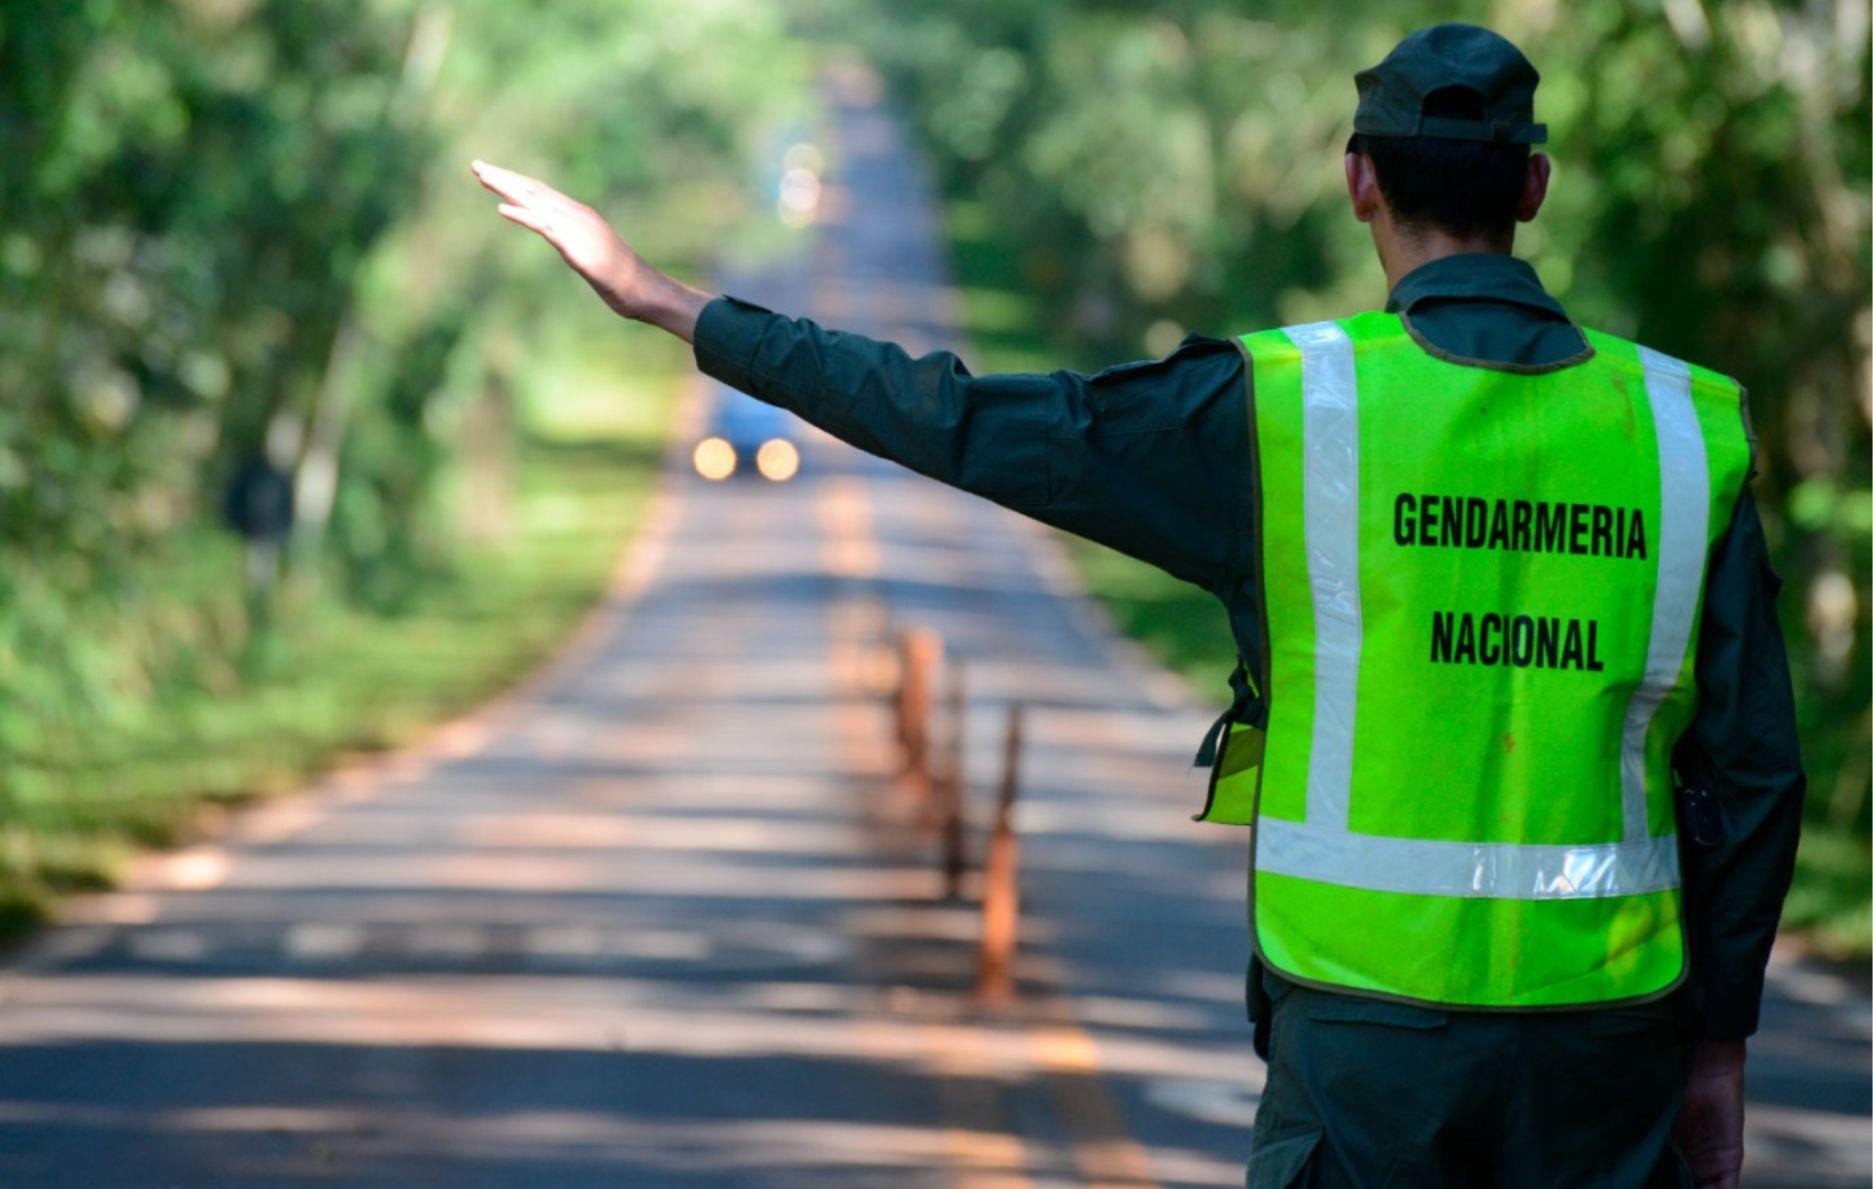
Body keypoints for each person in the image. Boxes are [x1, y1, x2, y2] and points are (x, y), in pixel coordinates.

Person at [473, 23, 1803, 1188]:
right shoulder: (1679, 431)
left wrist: (671, 304)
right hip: (1608, 1053)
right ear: (1532, 187)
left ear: (1359, 182)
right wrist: (1718, 1047)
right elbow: (1752, 770)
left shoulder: (1286, 412)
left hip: (1362, 1056)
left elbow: (960, 419)